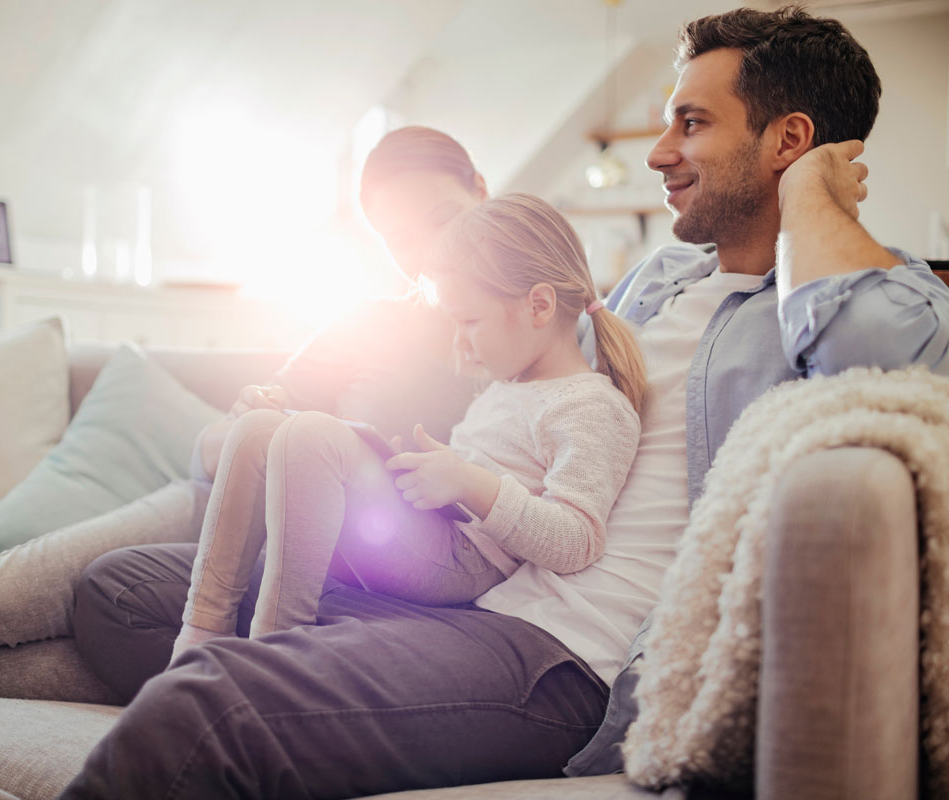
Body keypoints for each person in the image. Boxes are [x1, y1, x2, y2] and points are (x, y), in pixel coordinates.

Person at [59, 6, 949, 799]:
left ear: (789, 141)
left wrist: (812, 200)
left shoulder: (879, 298)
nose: (658, 150)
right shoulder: (665, 277)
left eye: (692, 121)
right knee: (120, 589)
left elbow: (873, 356)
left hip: (562, 659)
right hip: (477, 579)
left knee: (210, 705)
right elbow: (534, 378)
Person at [0, 127, 486, 674]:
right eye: (395, 236)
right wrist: (261, 421)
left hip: (336, 577)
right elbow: (213, 448)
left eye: (439, 218)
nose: (420, 251)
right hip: (216, 515)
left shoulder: (539, 339)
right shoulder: (366, 322)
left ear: (484, 196)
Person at [169, 194, 645, 665]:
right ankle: (199, 635)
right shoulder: (511, 385)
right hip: (434, 528)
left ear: (538, 306)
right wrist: (413, 469)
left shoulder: (591, 404)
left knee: (313, 436)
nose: (459, 341)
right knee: (258, 430)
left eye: (470, 321)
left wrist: (471, 483)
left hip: (465, 562)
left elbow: (577, 539)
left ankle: (273, 653)